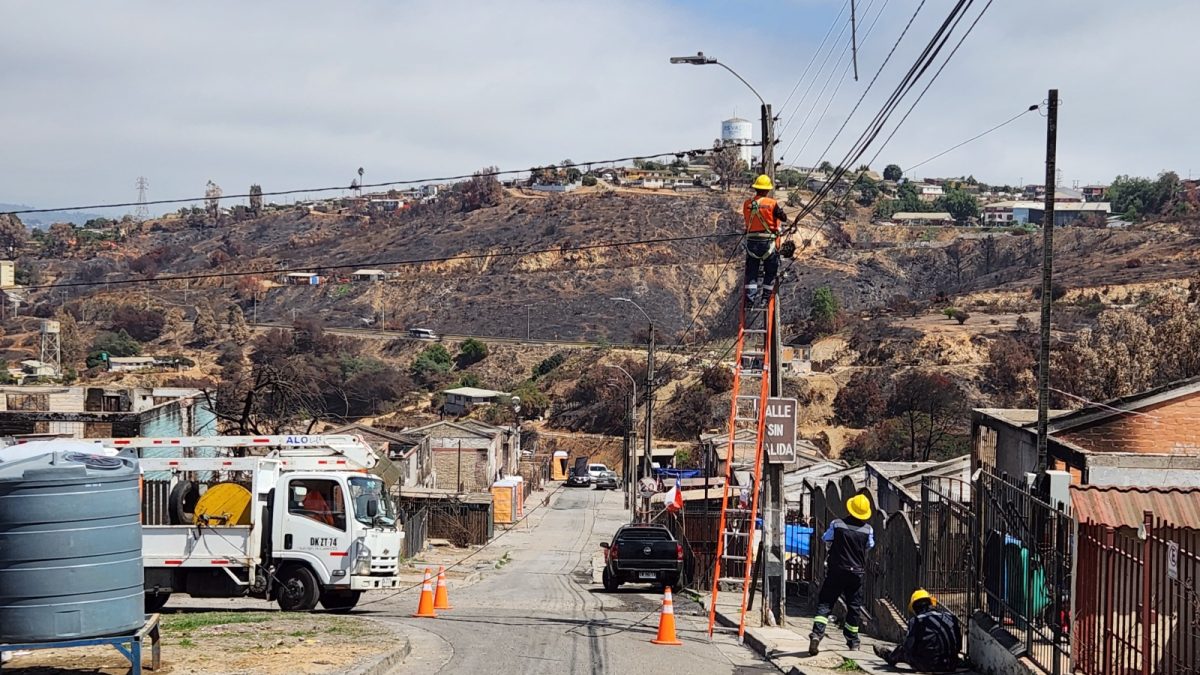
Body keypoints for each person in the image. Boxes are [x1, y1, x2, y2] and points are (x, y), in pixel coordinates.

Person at [809, 493, 875, 654]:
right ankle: (853, 641)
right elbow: (870, 546)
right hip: (856, 573)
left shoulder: (837, 524)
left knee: (826, 602)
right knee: (854, 607)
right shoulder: (868, 530)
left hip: (836, 570)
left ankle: (817, 633)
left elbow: (826, 538)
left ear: (850, 508)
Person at [873, 589, 962, 672]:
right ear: (931, 603)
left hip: (929, 666)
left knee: (901, 650)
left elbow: (908, 647)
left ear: (915, 608)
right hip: (952, 665)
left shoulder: (917, 621)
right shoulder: (950, 617)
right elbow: (959, 644)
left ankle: (888, 656)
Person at [742, 174, 788, 305]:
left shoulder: (747, 204)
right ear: (767, 190)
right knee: (771, 270)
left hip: (751, 244)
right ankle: (765, 299)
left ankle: (750, 300)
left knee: (752, 272)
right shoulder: (772, 203)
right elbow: (783, 217)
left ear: (756, 188)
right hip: (768, 244)